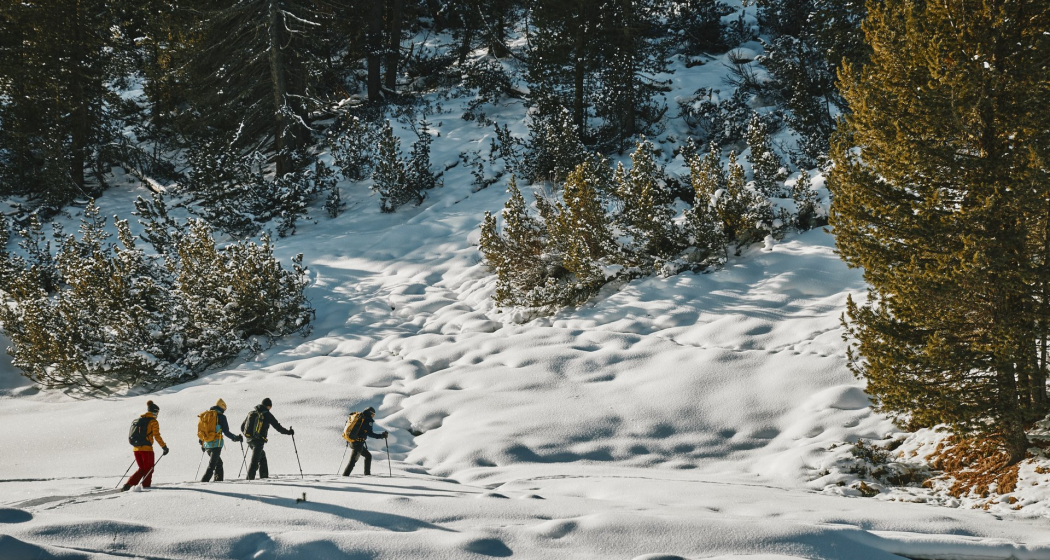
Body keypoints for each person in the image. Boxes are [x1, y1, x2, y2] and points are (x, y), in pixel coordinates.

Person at [241, 398, 293, 480]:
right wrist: (289, 432)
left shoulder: (252, 413)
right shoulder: (267, 414)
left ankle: (264, 477)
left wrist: (250, 435)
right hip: (259, 441)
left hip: (249, 440)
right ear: (268, 406)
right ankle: (249, 481)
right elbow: (278, 427)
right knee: (254, 462)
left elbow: (242, 427)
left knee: (262, 457)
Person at [123, 400, 169, 491]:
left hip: (136, 449)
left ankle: (129, 484)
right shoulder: (153, 421)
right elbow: (157, 436)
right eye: (157, 412)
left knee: (142, 469)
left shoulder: (139, 420)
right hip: (147, 449)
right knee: (149, 469)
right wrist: (164, 447)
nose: (157, 414)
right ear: (155, 411)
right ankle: (146, 487)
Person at [199, 398, 244, 482]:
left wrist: (201, 442)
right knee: (212, 465)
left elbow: (202, 430)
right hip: (216, 444)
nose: (225, 410)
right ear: (222, 406)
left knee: (218, 463)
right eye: (225, 408)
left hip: (206, 444)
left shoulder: (207, 415)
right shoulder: (221, 417)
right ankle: (204, 482)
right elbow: (226, 432)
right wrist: (235, 438)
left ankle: (218, 482)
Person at [343, 406, 388, 476]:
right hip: (358, 444)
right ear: (370, 413)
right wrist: (381, 436)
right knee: (352, 462)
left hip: (353, 442)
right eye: (373, 414)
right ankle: (345, 476)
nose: (374, 415)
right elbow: (370, 434)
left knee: (368, 456)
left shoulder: (361, 418)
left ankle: (367, 474)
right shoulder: (368, 420)